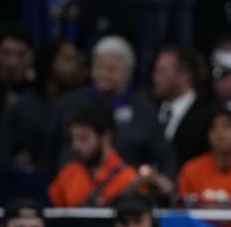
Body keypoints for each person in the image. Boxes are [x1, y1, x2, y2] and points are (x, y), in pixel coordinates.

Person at [54, 36, 176, 178]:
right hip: (73, 191)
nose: (103, 74)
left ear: (128, 72)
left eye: (111, 69)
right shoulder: (69, 104)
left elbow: (166, 160)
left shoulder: (145, 110)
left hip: (127, 193)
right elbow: (51, 152)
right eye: (99, 67)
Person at [0, 39, 86, 170]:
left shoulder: (83, 105)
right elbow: (1, 152)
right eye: (68, 60)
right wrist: (14, 165)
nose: (75, 66)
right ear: (49, 62)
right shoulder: (22, 106)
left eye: (76, 60)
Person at [48, 105, 139, 208]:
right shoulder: (68, 174)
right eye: (73, 139)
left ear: (105, 137)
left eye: (84, 138)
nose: (75, 146)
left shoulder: (128, 178)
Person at [150, 45, 214, 167]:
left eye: (161, 71)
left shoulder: (207, 115)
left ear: (185, 75)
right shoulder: (148, 109)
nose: (154, 77)